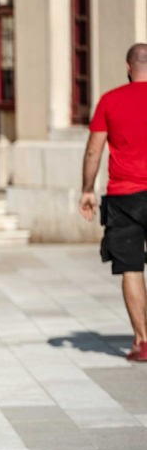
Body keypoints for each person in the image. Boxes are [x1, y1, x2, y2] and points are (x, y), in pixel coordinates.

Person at [79, 43, 147, 362]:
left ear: (128, 67)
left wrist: (87, 190)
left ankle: (142, 341)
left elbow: (94, 150)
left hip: (124, 197)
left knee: (131, 268)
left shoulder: (110, 100)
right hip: (126, 194)